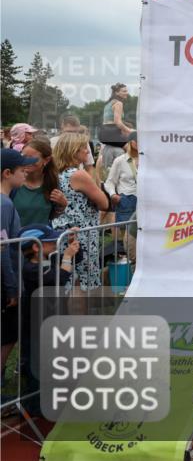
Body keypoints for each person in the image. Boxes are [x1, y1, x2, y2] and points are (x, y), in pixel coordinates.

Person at [17, 224, 79, 416]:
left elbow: (78, 258)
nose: (56, 244)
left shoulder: (50, 259)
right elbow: (58, 278)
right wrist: (67, 256)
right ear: (36, 247)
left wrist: (72, 246)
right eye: (52, 241)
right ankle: (33, 404)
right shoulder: (29, 269)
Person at [52, 132, 109, 292]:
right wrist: (91, 170)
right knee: (84, 284)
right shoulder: (78, 174)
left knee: (67, 281)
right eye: (83, 147)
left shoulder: (55, 174)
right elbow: (104, 203)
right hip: (81, 235)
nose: (87, 151)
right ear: (73, 151)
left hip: (62, 233)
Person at [1, 147, 38, 373]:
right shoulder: (4, 205)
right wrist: (12, 288)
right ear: (7, 173)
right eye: (22, 170)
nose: (26, 173)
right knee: (6, 338)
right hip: (6, 284)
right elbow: (3, 249)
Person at [13, 139, 68, 226]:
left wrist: (62, 205)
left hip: (42, 237)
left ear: (46, 160)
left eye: (32, 158)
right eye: (24, 156)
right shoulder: (13, 183)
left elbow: (50, 216)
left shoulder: (52, 182)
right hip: (15, 238)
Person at [104, 133, 139, 263]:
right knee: (129, 240)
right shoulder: (121, 160)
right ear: (131, 142)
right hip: (127, 200)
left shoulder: (148, 160)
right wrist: (113, 195)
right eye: (137, 140)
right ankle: (131, 267)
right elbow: (109, 181)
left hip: (144, 201)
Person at [99, 83, 132, 171]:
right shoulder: (118, 103)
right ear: (117, 93)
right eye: (124, 91)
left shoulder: (108, 104)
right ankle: (130, 170)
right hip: (112, 133)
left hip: (103, 133)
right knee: (133, 150)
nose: (126, 93)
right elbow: (118, 122)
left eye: (126, 91)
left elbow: (110, 121)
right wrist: (130, 131)